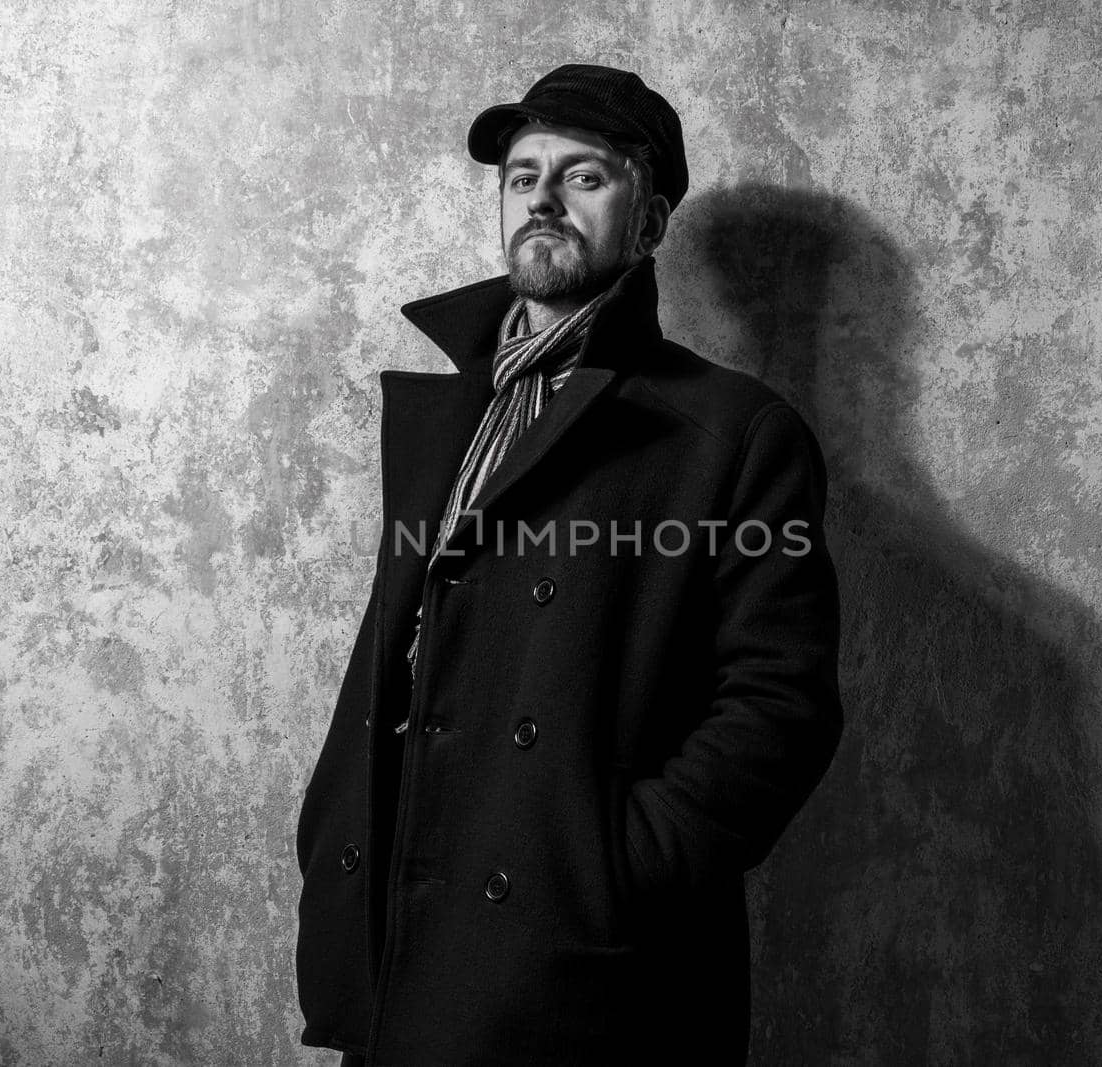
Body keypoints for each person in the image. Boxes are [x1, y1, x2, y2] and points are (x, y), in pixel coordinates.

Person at [295, 63, 844, 1067]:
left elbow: (780, 704)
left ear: (651, 215)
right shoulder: (450, 410)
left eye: (584, 175)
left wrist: (608, 865)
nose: (542, 196)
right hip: (402, 924)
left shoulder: (730, 432)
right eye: (522, 174)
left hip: (581, 968)